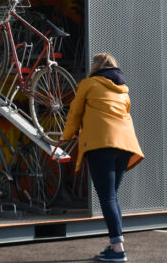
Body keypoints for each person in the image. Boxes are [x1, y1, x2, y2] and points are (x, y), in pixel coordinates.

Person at [61, 53, 144, 262]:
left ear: (96, 67)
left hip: (102, 145)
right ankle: (114, 246)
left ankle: (118, 250)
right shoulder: (124, 91)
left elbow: (74, 113)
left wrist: (65, 137)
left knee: (107, 197)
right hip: (125, 145)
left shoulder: (88, 85)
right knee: (112, 196)